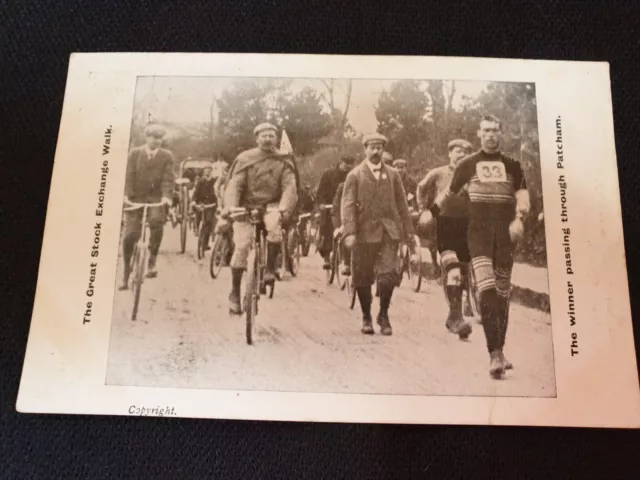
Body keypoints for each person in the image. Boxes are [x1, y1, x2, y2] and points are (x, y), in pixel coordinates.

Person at [426, 115, 530, 378]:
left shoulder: (513, 166)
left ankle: (500, 350)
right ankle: (494, 354)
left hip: (505, 237)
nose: (491, 135)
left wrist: (520, 218)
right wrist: (431, 213)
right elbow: (448, 196)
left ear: (501, 133)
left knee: (503, 295)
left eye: (495, 130)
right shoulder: (467, 165)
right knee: (487, 290)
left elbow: (523, 196)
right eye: (486, 131)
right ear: (479, 134)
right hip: (479, 236)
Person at [341, 133, 415, 336]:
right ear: (365, 149)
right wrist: (349, 232)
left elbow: (402, 205)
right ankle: (366, 315)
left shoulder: (392, 175)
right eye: (372, 147)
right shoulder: (355, 175)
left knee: (388, 275)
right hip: (363, 233)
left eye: (379, 148)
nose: (376, 151)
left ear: (383, 150)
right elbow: (347, 205)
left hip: (388, 233)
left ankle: (383, 313)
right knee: (362, 277)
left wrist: (409, 233)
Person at [221, 123, 298, 314]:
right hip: (246, 207)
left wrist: (284, 207)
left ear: (275, 138)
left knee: (273, 227)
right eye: (263, 135)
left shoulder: (283, 160)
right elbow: (235, 185)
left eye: (271, 135)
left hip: (271, 206)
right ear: (256, 138)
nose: (267, 138)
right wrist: (231, 206)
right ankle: (235, 292)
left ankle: (270, 268)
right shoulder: (245, 159)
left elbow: (289, 186)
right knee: (241, 246)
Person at [417, 138, 473, 340]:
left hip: (467, 227)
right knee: (454, 271)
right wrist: (424, 211)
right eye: (458, 151)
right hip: (445, 226)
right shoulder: (438, 173)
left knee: (463, 272)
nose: (462, 155)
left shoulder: (473, 175)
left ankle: (454, 316)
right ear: (450, 153)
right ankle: (457, 318)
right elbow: (421, 188)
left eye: (466, 152)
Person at [119, 124, 175, 288]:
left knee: (157, 222)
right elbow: (129, 175)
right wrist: (126, 194)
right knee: (130, 235)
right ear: (146, 137)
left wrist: (166, 197)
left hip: (156, 198)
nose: (156, 141)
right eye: (153, 137)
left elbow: (168, 178)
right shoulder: (135, 154)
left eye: (159, 138)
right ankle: (126, 274)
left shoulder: (167, 156)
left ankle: (152, 259)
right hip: (135, 198)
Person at [315, 154, 356, 269]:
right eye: (345, 164)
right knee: (327, 228)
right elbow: (321, 191)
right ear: (340, 162)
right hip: (329, 206)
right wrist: (322, 203)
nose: (347, 167)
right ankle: (327, 256)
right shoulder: (328, 175)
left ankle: (346, 257)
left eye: (350, 165)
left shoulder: (353, 175)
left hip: (346, 206)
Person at [191, 165, 218, 251]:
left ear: (211, 171)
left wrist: (216, 202)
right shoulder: (200, 182)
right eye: (205, 171)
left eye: (209, 170)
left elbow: (216, 193)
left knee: (209, 222)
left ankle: (205, 244)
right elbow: (195, 193)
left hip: (210, 204)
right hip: (201, 203)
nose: (207, 172)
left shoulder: (214, 181)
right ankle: (196, 227)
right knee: (198, 213)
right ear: (203, 172)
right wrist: (194, 201)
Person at [331, 181, 351, 276]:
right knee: (343, 234)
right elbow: (336, 208)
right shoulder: (342, 188)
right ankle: (346, 263)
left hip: (355, 218)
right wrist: (339, 226)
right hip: (341, 216)